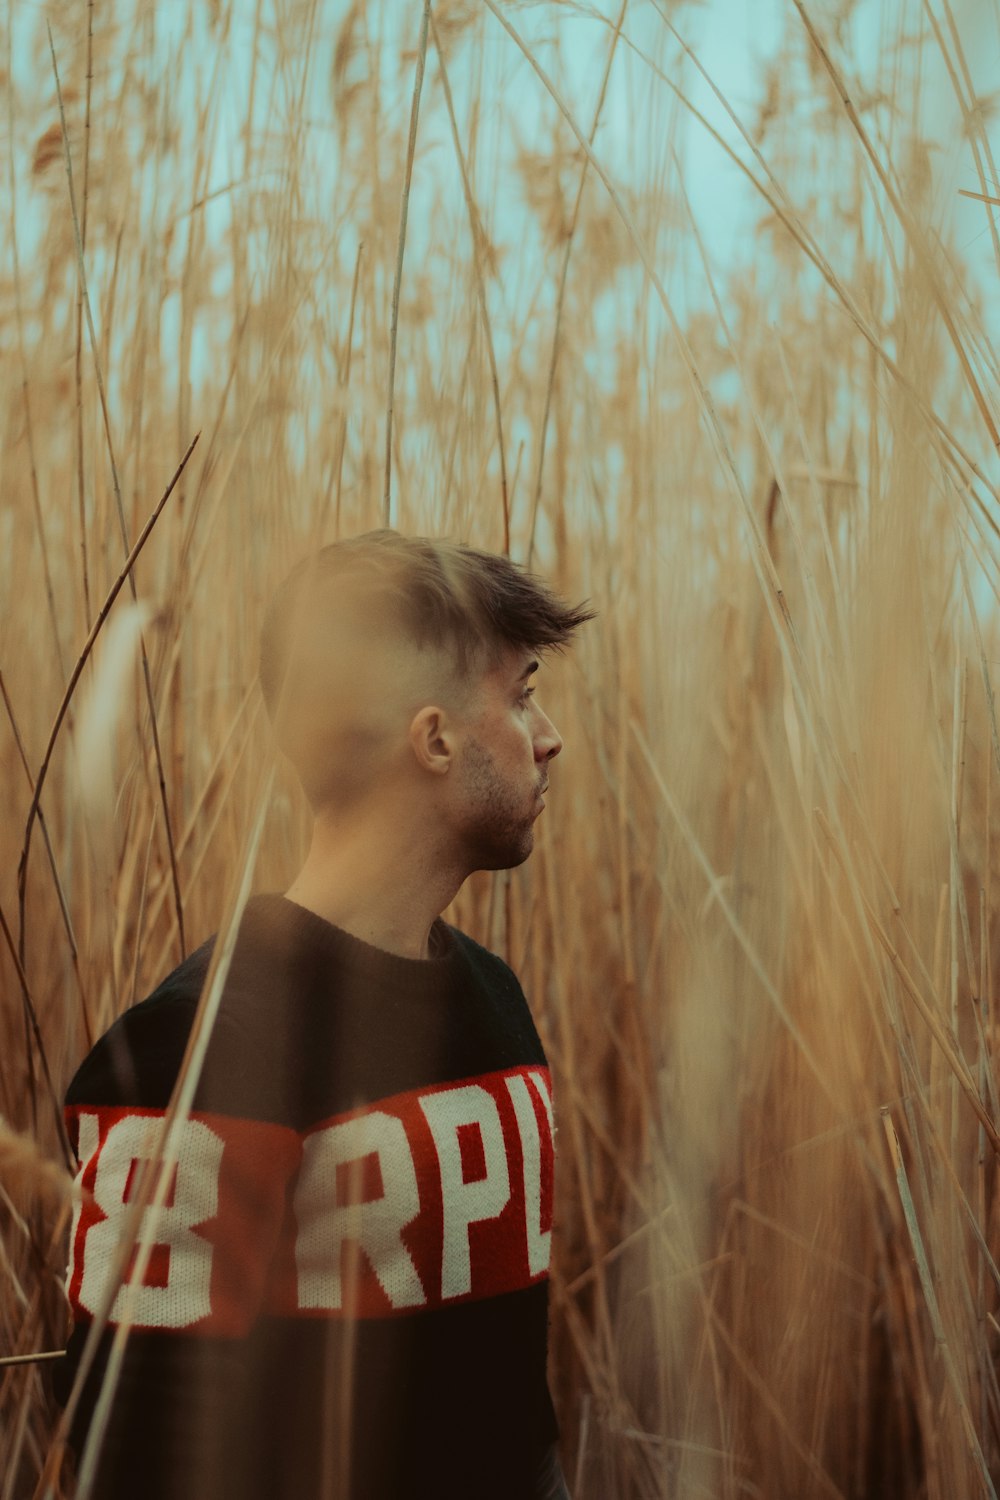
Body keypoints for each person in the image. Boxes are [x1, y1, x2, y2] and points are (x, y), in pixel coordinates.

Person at [54, 530, 594, 1500]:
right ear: (433, 739)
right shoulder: (197, 1050)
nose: (548, 734)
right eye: (519, 696)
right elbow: (130, 1458)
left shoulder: (493, 999)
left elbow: (515, 1420)